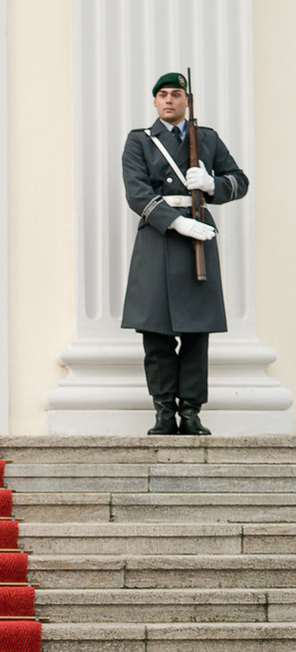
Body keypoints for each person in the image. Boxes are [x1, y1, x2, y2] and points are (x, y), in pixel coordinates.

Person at [121, 72, 249, 435]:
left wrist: (213, 185)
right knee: (156, 334)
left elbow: (239, 180)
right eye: (162, 95)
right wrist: (175, 222)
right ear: (155, 101)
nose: (169, 100)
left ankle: (190, 412)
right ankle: (164, 413)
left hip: (199, 237)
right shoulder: (140, 141)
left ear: (187, 101)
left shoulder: (205, 138)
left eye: (176, 94)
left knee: (196, 333)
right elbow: (136, 192)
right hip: (160, 237)